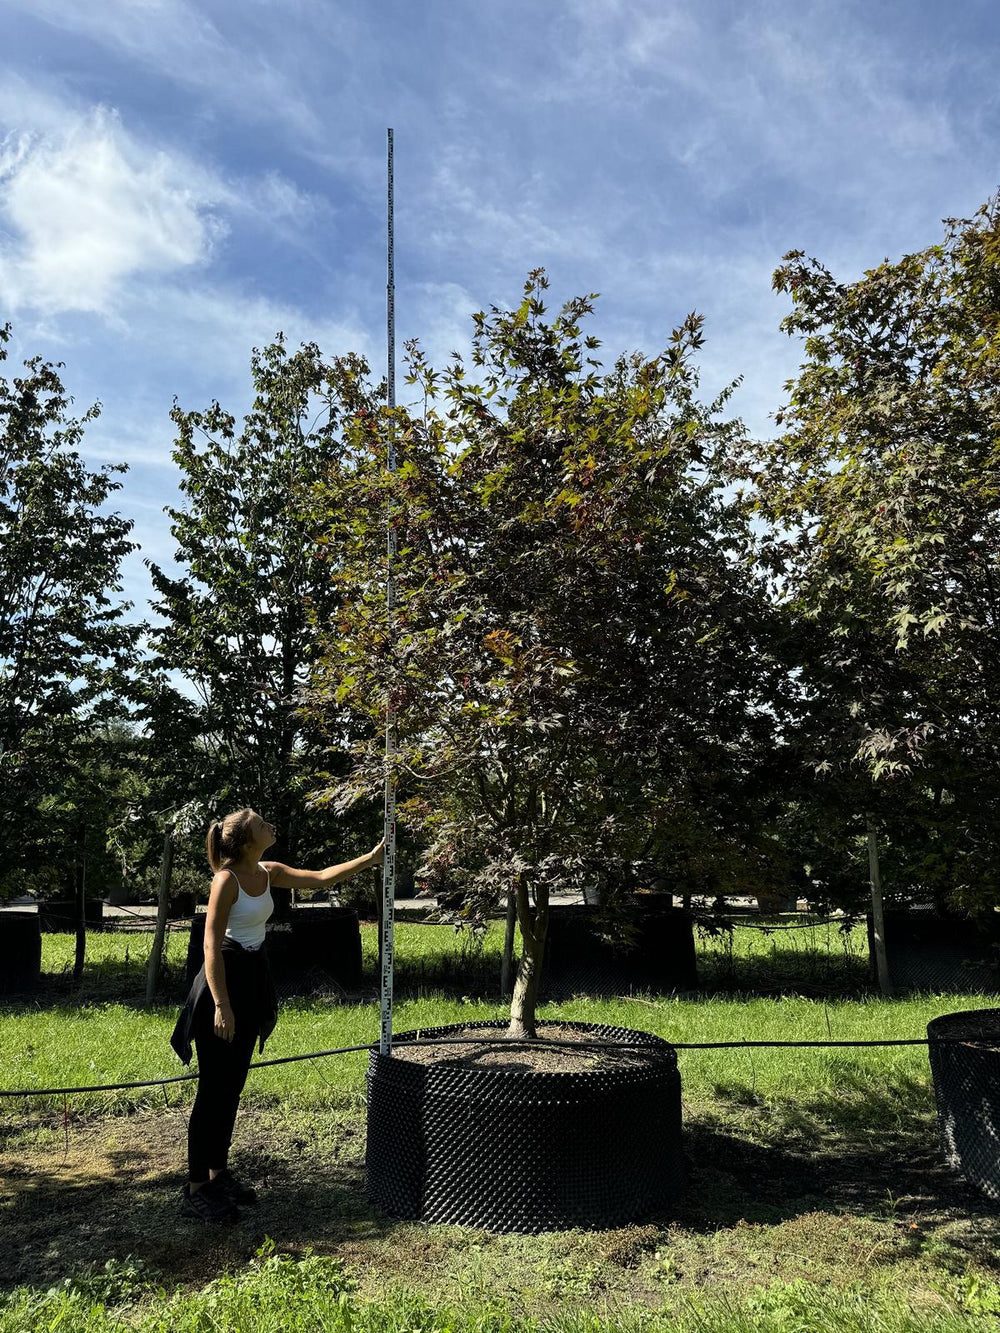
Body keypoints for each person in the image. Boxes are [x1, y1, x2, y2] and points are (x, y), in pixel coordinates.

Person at [170, 808, 384, 1222]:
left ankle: (218, 1174)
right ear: (246, 841)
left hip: (252, 979)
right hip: (224, 983)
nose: (271, 825)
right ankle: (196, 1189)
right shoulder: (225, 881)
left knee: (232, 1086)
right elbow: (210, 947)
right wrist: (222, 1006)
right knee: (212, 1090)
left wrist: (371, 859)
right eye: (261, 824)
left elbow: (322, 877)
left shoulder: (268, 871)